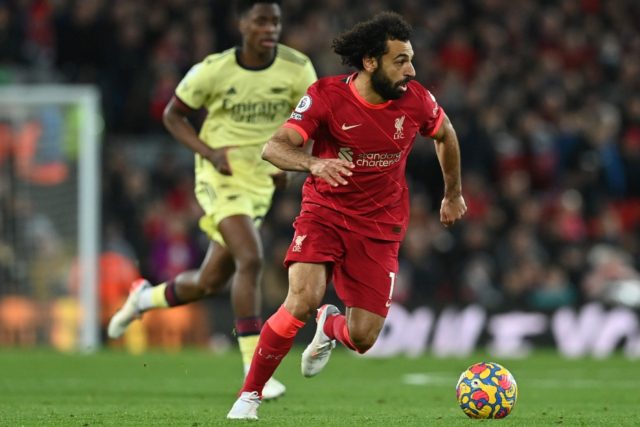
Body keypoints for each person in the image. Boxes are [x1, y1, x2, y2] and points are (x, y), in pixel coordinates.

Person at [227, 11, 467, 420]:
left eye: (411, 59)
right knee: (301, 299)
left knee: (362, 338)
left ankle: (330, 325)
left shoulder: (417, 100)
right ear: (370, 62)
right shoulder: (325, 97)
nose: (411, 70)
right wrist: (314, 164)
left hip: (381, 225)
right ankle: (250, 395)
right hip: (326, 211)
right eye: (400, 60)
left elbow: (445, 134)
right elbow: (274, 147)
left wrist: (453, 194)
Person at [107, 0, 317, 400]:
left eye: (275, 20)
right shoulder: (213, 70)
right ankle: (256, 372)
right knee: (251, 258)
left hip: (260, 181)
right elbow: (173, 115)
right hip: (219, 176)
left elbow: (311, 119)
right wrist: (208, 152)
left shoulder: (297, 67)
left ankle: (143, 298)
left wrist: (292, 164)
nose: (270, 28)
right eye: (260, 20)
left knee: (209, 281)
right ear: (242, 23)